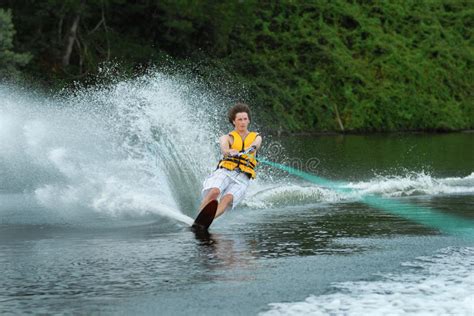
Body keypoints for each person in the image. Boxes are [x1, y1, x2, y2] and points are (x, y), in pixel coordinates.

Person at [198, 103, 262, 219]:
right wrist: (229, 151)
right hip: (225, 171)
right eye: (239, 119)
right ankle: (199, 216)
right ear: (233, 121)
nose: (242, 122)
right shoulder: (227, 137)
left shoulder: (256, 137)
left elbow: (257, 144)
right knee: (215, 191)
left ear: (248, 121)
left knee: (227, 199)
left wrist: (252, 148)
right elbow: (224, 148)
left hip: (243, 177)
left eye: (245, 119)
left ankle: (207, 220)